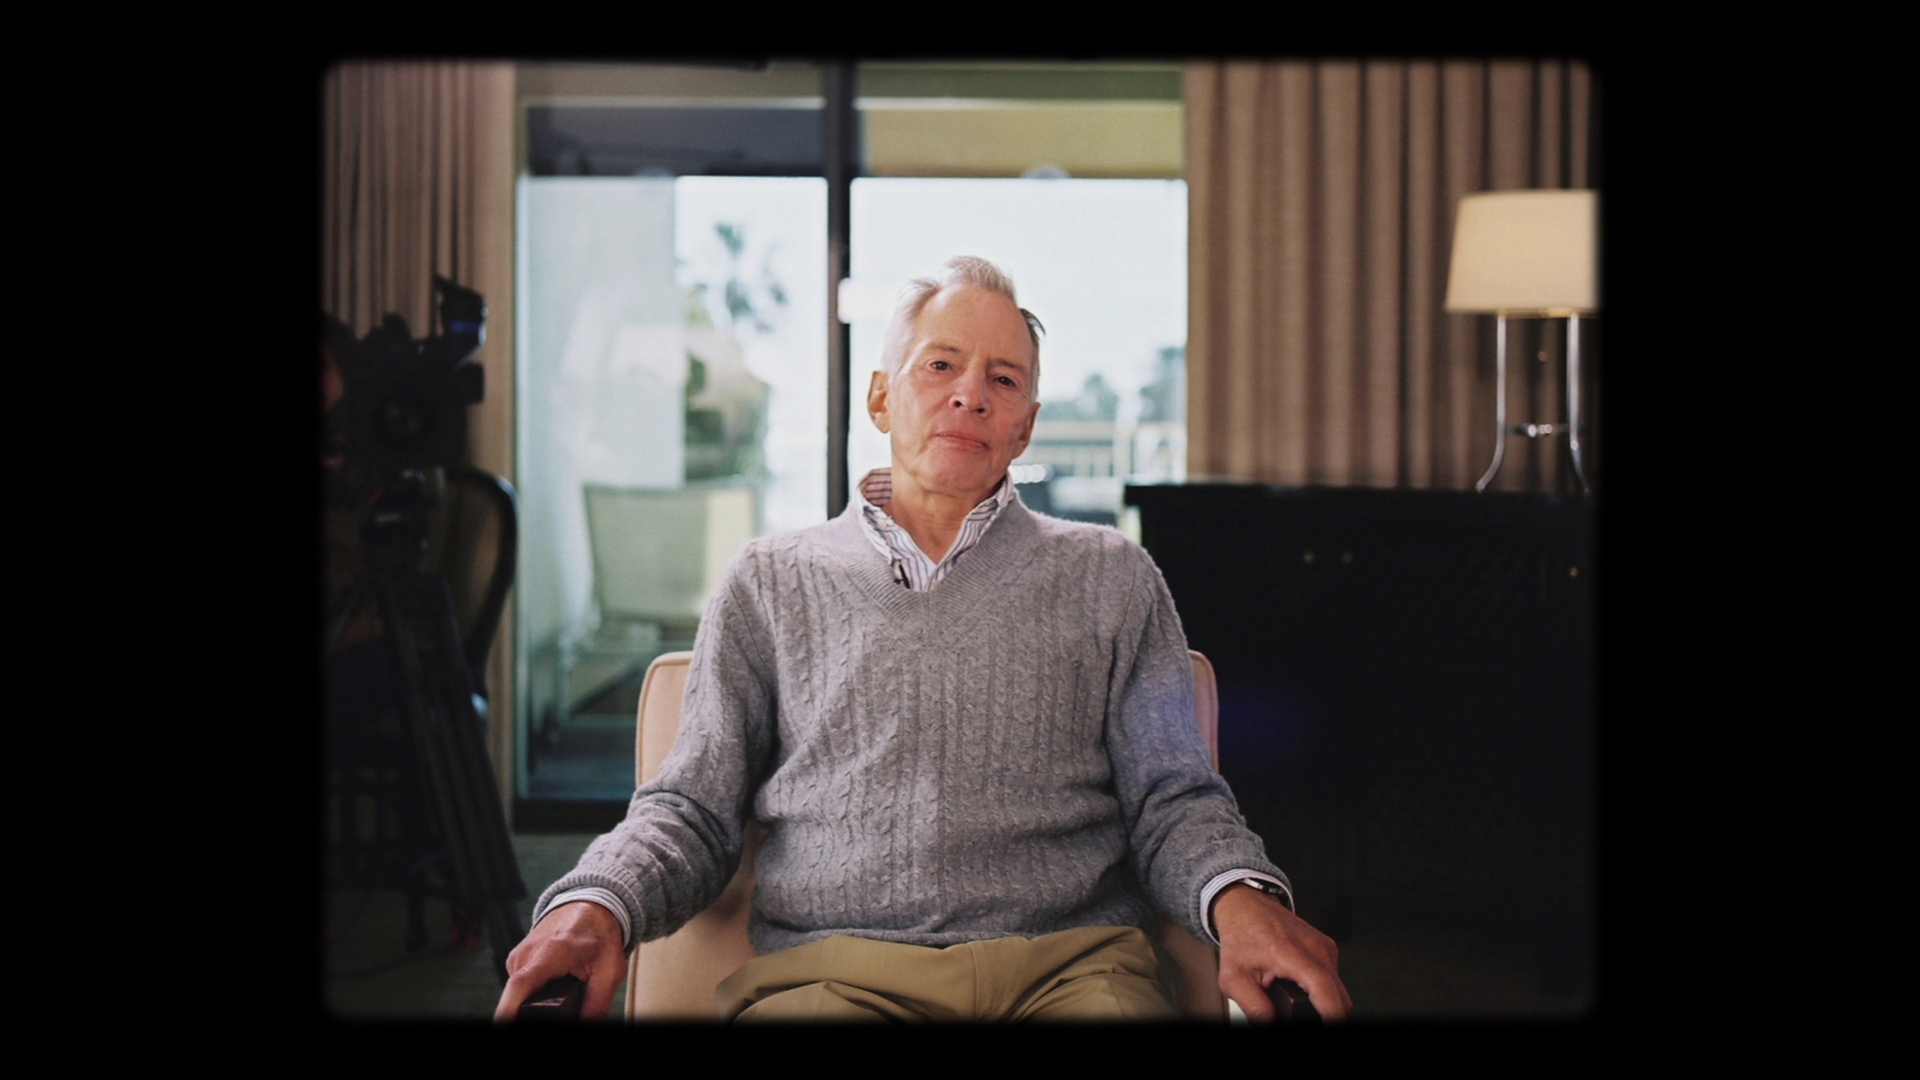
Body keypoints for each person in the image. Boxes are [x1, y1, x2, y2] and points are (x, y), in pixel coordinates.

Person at [495, 256, 1350, 1023]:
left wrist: (1244, 896)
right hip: (830, 978)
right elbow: (689, 810)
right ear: (880, 397)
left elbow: (1175, 801)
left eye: (1003, 379)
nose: (970, 393)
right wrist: (596, 903)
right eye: (940, 364)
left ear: (1025, 425)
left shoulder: (1112, 577)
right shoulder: (768, 581)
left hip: (1073, 971)